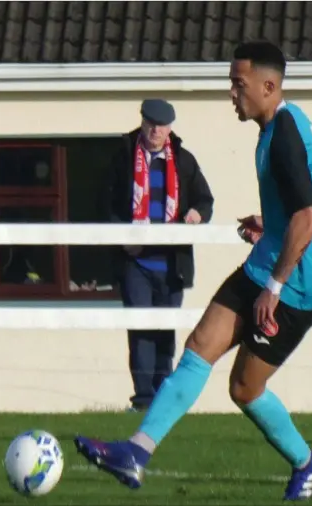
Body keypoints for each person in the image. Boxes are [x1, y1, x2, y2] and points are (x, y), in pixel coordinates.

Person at [75, 41, 312, 501]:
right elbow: (295, 209)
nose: (232, 94)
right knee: (199, 345)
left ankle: (307, 463)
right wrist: (268, 223)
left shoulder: (286, 133)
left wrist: (273, 287)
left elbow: (309, 219)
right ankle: (137, 452)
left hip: (296, 286)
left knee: (244, 387)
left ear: (268, 86)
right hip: (270, 263)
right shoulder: (275, 127)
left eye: (239, 85)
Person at [103, 99, 214, 411]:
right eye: (151, 123)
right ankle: (142, 400)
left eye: (162, 125)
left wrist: (196, 213)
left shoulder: (183, 161)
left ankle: (163, 397)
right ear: (142, 122)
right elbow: (105, 204)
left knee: (166, 330)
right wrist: (124, 238)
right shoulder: (122, 158)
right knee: (141, 329)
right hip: (135, 262)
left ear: (170, 128)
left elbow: (205, 200)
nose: (156, 130)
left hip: (171, 263)